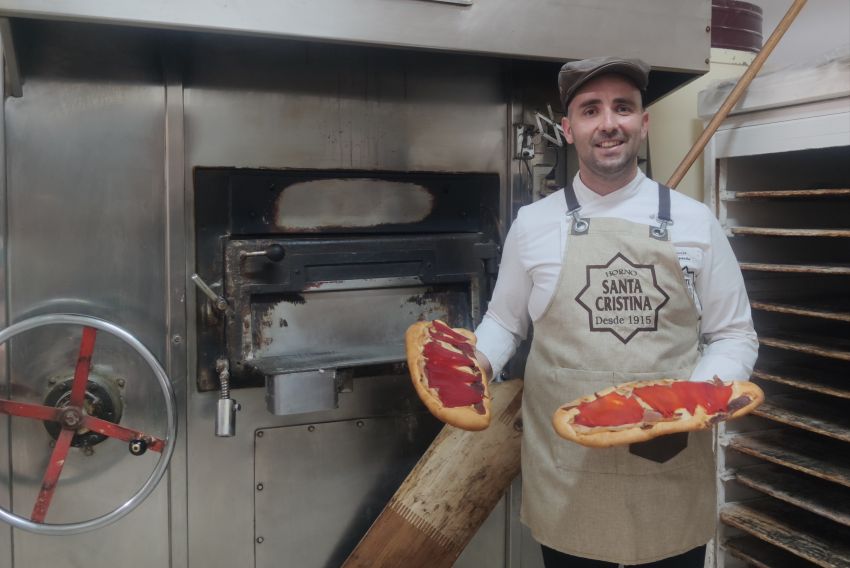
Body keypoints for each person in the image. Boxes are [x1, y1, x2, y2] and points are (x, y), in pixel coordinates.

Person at [473, 57, 758, 568]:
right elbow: (503, 323)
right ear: (568, 129)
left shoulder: (694, 222)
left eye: (623, 108)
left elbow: (734, 335)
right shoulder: (533, 225)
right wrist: (475, 364)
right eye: (590, 110)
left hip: (667, 468)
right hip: (567, 474)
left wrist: (693, 401)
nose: (609, 123)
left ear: (643, 124)